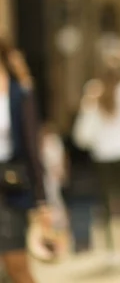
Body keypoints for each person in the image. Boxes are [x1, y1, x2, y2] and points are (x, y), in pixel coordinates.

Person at [73, 40, 120, 265]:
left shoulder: (93, 90)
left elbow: (85, 125)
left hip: (103, 154)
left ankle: (111, 250)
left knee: (106, 203)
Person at [0, 39, 50, 283]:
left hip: (9, 184)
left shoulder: (19, 92)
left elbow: (32, 148)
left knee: (16, 265)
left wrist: (41, 199)